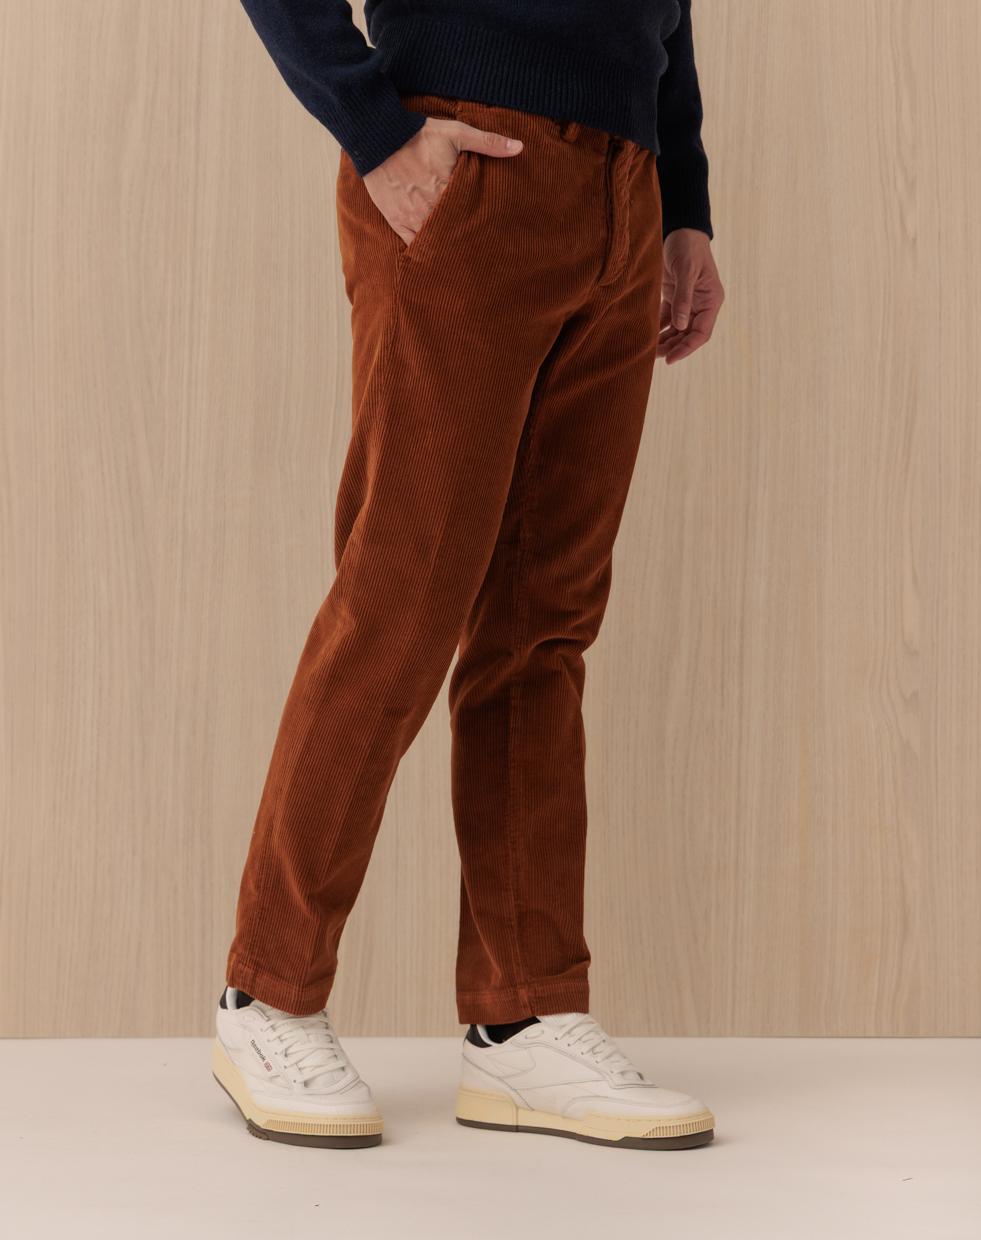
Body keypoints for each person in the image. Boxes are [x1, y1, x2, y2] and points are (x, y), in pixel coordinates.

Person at [212, 0, 725, 1151]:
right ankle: (268, 995)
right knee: (399, 604)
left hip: (622, 186)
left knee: (542, 629)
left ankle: (524, 1016)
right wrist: (373, 130)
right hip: (467, 159)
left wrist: (681, 201)